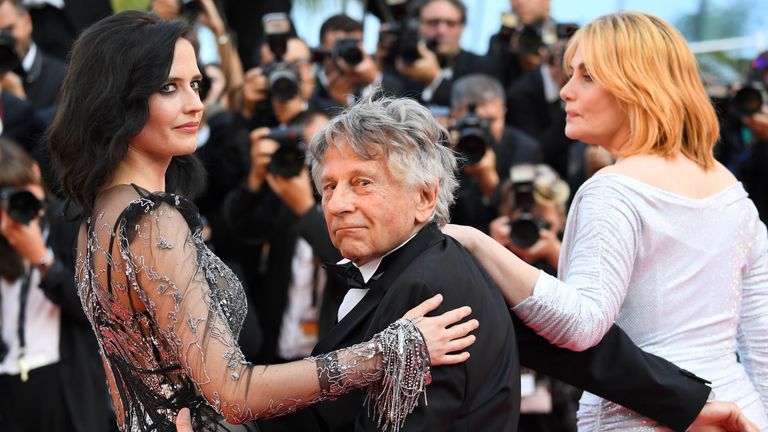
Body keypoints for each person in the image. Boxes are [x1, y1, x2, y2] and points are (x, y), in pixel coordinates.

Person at [47, 11, 480, 432]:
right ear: (118, 97)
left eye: (196, 84)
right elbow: (233, 393)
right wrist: (390, 351)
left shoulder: (101, 214)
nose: (195, 104)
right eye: (168, 87)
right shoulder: (152, 220)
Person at [305, 92, 757, 432]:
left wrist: (688, 405)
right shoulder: (417, 266)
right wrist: (683, 404)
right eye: (328, 187)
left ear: (425, 197)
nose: (338, 204)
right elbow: (561, 345)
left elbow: (575, 337)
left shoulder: (430, 285)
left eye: (362, 182)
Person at [444, 11, 768, 430]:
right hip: (740, 411)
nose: (565, 91)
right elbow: (761, 342)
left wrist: (474, 241)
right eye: (569, 74)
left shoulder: (613, 190)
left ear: (638, 88)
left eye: (587, 77)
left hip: (642, 420)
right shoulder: (729, 188)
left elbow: (580, 325)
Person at [0, 138, 112, 432]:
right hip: (11, 387)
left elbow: (96, 309)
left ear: (35, 173)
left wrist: (41, 258)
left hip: (67, 384)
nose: (13, 206)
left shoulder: (71, 224)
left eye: (19, 192)